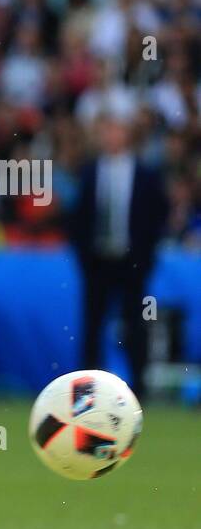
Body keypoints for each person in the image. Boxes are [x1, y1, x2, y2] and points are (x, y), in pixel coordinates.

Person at [66, 117, 169, 393]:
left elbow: (156, 217)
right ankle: (87, 388)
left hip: (131, 263)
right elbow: (79, 217)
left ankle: (139, 386)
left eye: (116, 130)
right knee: (92, 324)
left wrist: (145, 257)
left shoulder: (145, 174)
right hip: (98, 261)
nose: (111, 137)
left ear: (127, 135)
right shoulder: (89, 171)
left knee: (134, 324)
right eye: (106, 131)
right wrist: (84, 256)